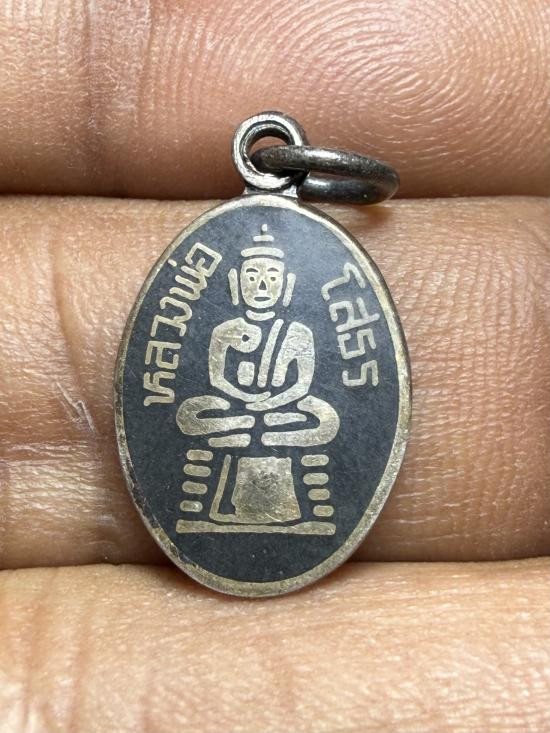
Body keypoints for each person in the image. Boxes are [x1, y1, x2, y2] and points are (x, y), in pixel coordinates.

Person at [0, 1, 548, 731]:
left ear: (285, 284)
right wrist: (247, 405)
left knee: (322, 417)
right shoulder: (226, 327)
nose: (260, 286)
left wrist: (267, 407)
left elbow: (300, 384)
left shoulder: (295, 329)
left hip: (282, 420)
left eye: (270, 279)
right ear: (237, 281)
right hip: (235, 419)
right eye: (251, 278)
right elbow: (216, 382)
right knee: (195, 412)